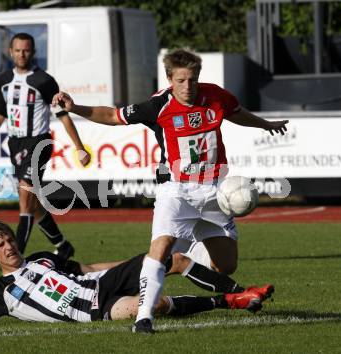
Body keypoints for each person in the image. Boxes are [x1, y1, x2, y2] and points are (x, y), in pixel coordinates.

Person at [52, 48, 287, 333]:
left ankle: (183, 256)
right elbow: (113, 116)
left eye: (193, 79)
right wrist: (75, 107)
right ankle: (144, 318)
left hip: (215, 191)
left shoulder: (215, 96)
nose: (188, 86)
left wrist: (266, 125)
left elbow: (236, 113)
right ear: (169, 78)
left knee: (225, 265)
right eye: (181, 81)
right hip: (176, 191)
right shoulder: (158, 106)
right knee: (160, 248)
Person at [0, 220, 274, 329]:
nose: (9, 247)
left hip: (102, 284)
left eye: (8, 240)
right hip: (91, 312)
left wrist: (136, 264)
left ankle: (239, 290)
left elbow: (87, 269)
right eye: (0, 245)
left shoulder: (39, 259)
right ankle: (228, 301)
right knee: (153, 305)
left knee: (171, 260)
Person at [0, 33, 90, 259]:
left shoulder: (44, 81)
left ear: (33, 52)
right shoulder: (4, 80)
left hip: (39, 142)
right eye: (17, 50)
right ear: (11, 52)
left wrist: (79, 147)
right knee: (33, 203)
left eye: (26, 50)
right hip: (15, 143)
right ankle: (62, 245)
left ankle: (16, 256)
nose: (21, 54)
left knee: (25, 195)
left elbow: (63, 116)